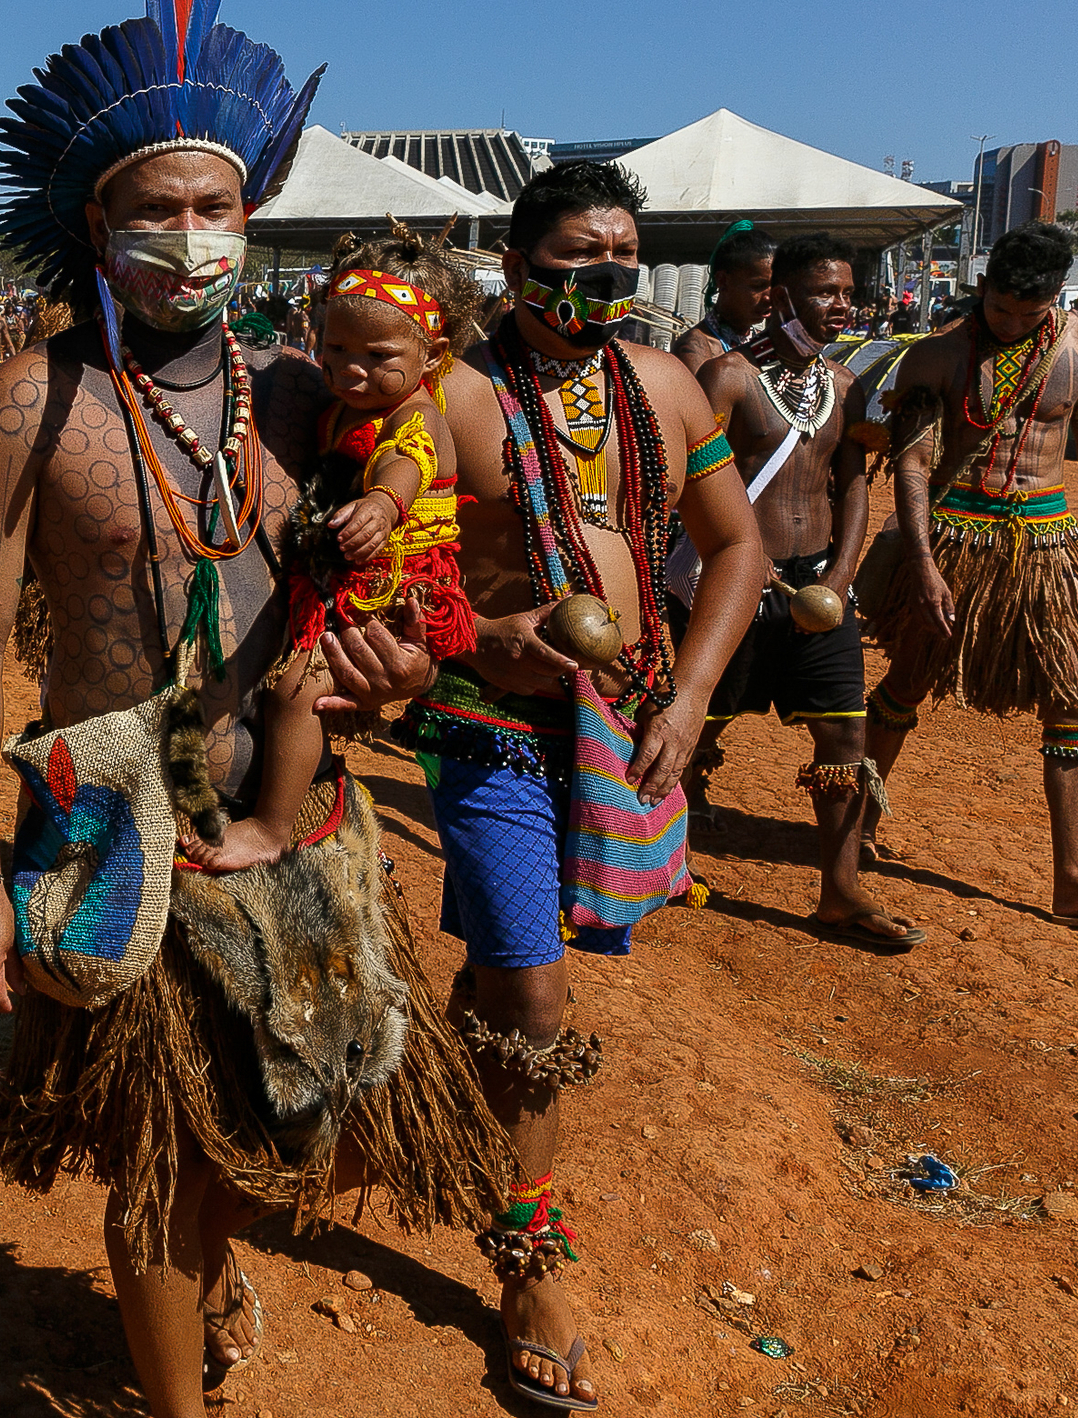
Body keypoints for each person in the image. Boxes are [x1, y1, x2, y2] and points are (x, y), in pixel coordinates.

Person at [0, 0, 510, 1418]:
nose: (192, 236)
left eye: (218, 206)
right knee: (157, 1158)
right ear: (95, 223)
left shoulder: (312, 394)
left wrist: (409, 667)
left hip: (296, 827)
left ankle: (210, 1267)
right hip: (123, 834)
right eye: (162, 208)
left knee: (295, 1119)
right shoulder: (26, 403)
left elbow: (414, 557)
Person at [387, 158, 764, 1410]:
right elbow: (393, 572)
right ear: (512, 265)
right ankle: (529, 1256)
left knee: (515, 973)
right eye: (572, 265)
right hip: (488, 720)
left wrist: (692, 696)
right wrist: (479, 634)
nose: (600, 288)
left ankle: (449, 1067)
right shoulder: (449, 392)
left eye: (620, 265)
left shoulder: (663, 385)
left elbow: (735, 545)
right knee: (540, 999)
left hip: (627, 715)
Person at [863, 221, 1078, 930]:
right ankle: (859, 824)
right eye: (1000, 308)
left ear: (1057, 297)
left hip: (1050, 547)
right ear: (982, 286)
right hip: (954, 542)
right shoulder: (936, 356)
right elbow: (912, 464)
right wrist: (923, 565)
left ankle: (1074, 878)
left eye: (1029, 313)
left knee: (1074, 696)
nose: (1011, 323)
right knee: (908, 680)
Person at [690, 234, 915, 948]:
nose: (842, 305)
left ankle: (840, 894)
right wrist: (736, 555)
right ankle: (654, 859)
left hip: (818, 585)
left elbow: (853, 487)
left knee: (844, 736)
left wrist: (840, 579)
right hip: (732, 586)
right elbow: (683, 485)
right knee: (694, 726)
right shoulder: (727, 378)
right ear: (782, 297)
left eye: (847, 292)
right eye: (826, 293)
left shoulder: (846, 388)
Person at [279, 238, 480, 710]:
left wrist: (384, 503)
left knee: (298, 693)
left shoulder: (416, 414)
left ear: (432, 355)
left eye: (377, 355)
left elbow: (407, 459)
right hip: (346, 576)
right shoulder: (342, 410)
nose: (352, 368)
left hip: (391, 593)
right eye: (337, 347)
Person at [671, 219, 778, 372]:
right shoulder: (695, 347)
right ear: (722, 281)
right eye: (757, 286)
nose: (769, 297)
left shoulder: (763, 343)